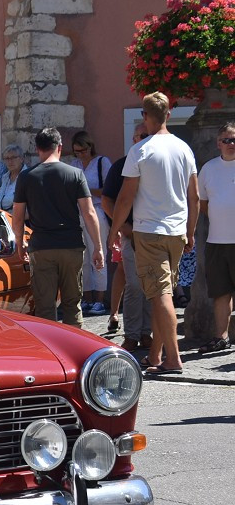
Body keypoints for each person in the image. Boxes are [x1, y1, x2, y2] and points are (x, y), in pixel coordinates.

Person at [110, 91, 199, 376]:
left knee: (160, 295)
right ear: (168, 115)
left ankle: (172, 359)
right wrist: (191, 231)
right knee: (165, 294)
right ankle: (155, 354)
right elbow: (194, 197)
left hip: (148, 231)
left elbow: (125, 198)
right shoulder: (184, 149)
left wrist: (113, 231)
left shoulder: (140, 150)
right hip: (176, 232)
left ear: (145, 116)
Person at [12, 127, 104, 328]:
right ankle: (76, 351)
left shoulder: (26, 177)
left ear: (37, 149)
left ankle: (51, 355)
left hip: (42, 246)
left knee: (45, 307)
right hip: (71, 246)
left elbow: (17, 217)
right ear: (60, 147)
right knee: (72, 304)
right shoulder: (75, 174)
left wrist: (19, 244)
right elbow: (89, 213)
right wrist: (98, 246)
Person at [102, 124, 152, 351]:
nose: (140, 140)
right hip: (131, 234)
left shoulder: (157, 164)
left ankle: (147, 332)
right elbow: (108, 201)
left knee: (152, 285)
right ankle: (132, 334)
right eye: (138, 137)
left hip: (155, 233)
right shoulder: (121, 165)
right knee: (133, 284)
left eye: (145, 136)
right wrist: (124, 228)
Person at [195, 122, 235, 355]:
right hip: (217, 240)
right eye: (227, 140)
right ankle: (221, 337)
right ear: (218, 143)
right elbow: (203, 203)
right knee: (220, 292)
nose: (231, 144)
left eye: (234, 140)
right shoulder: (209, 169)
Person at [71, 131, 113, 314]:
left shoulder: (102, 163)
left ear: (90, 147)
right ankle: (87, 297)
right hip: (79, 212)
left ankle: (100, 299)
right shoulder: (74, 165)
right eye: (77, 151)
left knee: (98, 252)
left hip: (97, 211)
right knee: (83, 258)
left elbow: (109, 190)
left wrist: (85, 191)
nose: (80, 154)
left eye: (83, 150)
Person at [0, 145, 27, 212]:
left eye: (13, 157)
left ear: (22, 159)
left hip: (19, 221)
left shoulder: (28, 177)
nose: (10, 161)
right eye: (7, 158)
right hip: (2, 220)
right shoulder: (5, 177)